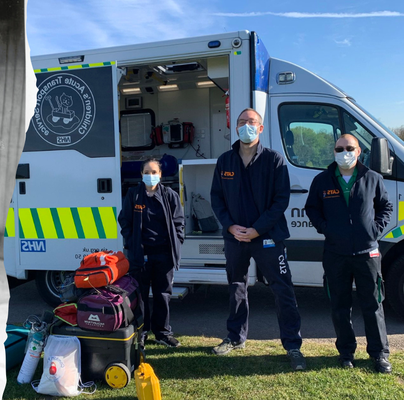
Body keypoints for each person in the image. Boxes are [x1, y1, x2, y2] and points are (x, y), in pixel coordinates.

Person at [209, 108, 306, 371]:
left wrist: (257, 229)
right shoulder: (225, 161)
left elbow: (280, 200)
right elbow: (216, 198)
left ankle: (292, 345)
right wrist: (230, 226)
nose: (246, 126)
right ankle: (235, 337)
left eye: (251, 122)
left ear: (260, 128)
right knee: (236, 287)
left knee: (282, 289)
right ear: (236, 127)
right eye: (241, 122)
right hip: (235, 238)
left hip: (268, 237)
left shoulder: (274, 160)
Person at [304, 134, 393, 373]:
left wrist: (374, 230)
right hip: (336, 253)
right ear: (334, 152)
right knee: (340, 306)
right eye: (339, 148)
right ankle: (346, 353)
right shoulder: (322, 180)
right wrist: (326, 228)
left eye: (349, 148)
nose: (344, 152)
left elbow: (385, 207)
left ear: (359, 151)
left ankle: (379, 354)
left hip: (367, 253)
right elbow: (311, 208)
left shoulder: (372, 177)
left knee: (373, 305)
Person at [117, 158, 185, 348]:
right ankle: (142, 332)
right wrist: (132, 243)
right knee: (140, 296)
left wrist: (177, 242)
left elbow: (179, 222)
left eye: (154, 172)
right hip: (141, 256)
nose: (151, 175)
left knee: (163, 294)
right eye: (147, 172)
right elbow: (124, 221)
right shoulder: (134, 195)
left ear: (160, 174)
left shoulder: (170, 195)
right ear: (141, 174)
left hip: (164, 255)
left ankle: (163, 333)